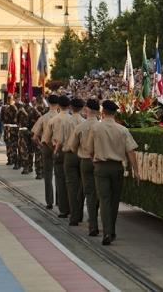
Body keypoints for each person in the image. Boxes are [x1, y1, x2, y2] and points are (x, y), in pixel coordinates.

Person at [88, 99, 139, 245]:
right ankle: (112, 230)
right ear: (115, 113)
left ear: (103, 112)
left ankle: (107, 232)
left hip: (101, 167)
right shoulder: (122, 130)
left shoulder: (96, 128)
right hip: (117, 167)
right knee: (115, 200)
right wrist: (136, 171)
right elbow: (131, 152)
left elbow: (89, 150)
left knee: (104, 200)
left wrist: (95, 160)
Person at [67, 98, 100, 236]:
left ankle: (92, 224)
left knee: (88, 192)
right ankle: (95, 220)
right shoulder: (101, 126)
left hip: (85, 161)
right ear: (98, 111)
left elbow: (72, 147)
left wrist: (81, 152)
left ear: (86, 110)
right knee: (99, 194)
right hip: (100, 162)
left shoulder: (80, 127)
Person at [32, 94, 59, 209]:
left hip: (46, 147)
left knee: (47, 175)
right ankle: (60, 200)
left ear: (47, 103)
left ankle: (49, 201)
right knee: (60, 175)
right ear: (58, 104)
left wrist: (40, 146)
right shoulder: (62, 117)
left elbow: (34, 136)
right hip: (59, 148)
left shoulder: (43, 117)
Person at [51, 95, 76, 218]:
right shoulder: (73, 119)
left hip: (60, 150)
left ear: (59, 106)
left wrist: (55, 150)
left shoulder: (54, 119)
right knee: (72, 182)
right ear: (69, 105)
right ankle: (73, 209)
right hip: (74, 152)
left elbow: (55, 138)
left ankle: (63, 209)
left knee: (60, 181)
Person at [63, 98, 85, 226]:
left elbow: (60, 138)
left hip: (70, 154)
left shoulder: (66, 121)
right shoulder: (84, 121)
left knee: (72, 186)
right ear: (82, 108)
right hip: (82, 154)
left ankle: (74, 216)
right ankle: (80, 214)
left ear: (71, 107)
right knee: (82, 186)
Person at [2, 96, 19, 168]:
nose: (9, 100)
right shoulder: (12, 108)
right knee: (9, 145)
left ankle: (14, 161)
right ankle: (10, 160)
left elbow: (2, 118)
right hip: (10, 128)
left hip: (11, 129)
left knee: (12, 146)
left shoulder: (8, 108)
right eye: (9, 99)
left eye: (10, 99)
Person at [28, 101, 43, 179]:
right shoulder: (46, 111)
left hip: (35, 135)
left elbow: (29, 123)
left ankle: (38, 173)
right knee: (43, 154)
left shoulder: (32, 112)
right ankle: (43, 172)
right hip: (44, 136)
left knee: (36, 154)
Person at [16, 102, 31, 175]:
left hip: (28, 132)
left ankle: (27, 167)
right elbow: (16, 121)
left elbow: (31, 119)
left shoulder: (31, 110)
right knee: (23, 150)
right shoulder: (20, 111)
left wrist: (24, 112)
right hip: (22, 131)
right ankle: (26, 167)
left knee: (26, 150)